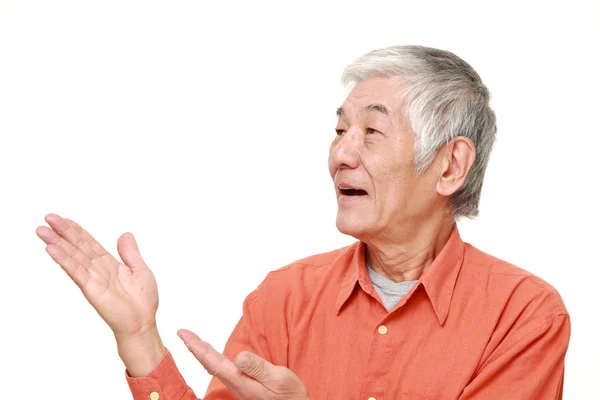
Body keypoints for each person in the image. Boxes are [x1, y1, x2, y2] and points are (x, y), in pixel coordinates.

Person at [36, 45, 570, 399]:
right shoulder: (284, 298)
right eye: (339, 131)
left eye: (372, 132)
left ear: (450, 165)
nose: (341, 154)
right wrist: (140, 338)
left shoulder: (523, 315)